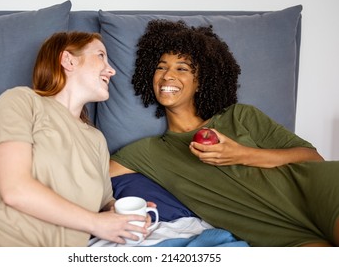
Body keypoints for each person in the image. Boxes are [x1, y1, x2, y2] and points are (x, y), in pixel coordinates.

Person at [109, 19, 339, 247]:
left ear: (200, 82)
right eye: (161, 67)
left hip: (318, 193)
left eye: (182, 68)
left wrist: (241, 155)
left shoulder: (239, 116)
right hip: (278, 235)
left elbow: (313, 157)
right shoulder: (148, 151)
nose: (168, 75)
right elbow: (86, 177)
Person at [0, 31, 150, 247]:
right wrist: (96, 223)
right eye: (101, 55)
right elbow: (15, 189)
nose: (111, 70)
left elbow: (104, 203)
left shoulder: (97, 140)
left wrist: (126, 217)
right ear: (68, 60)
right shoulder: (21, 101)